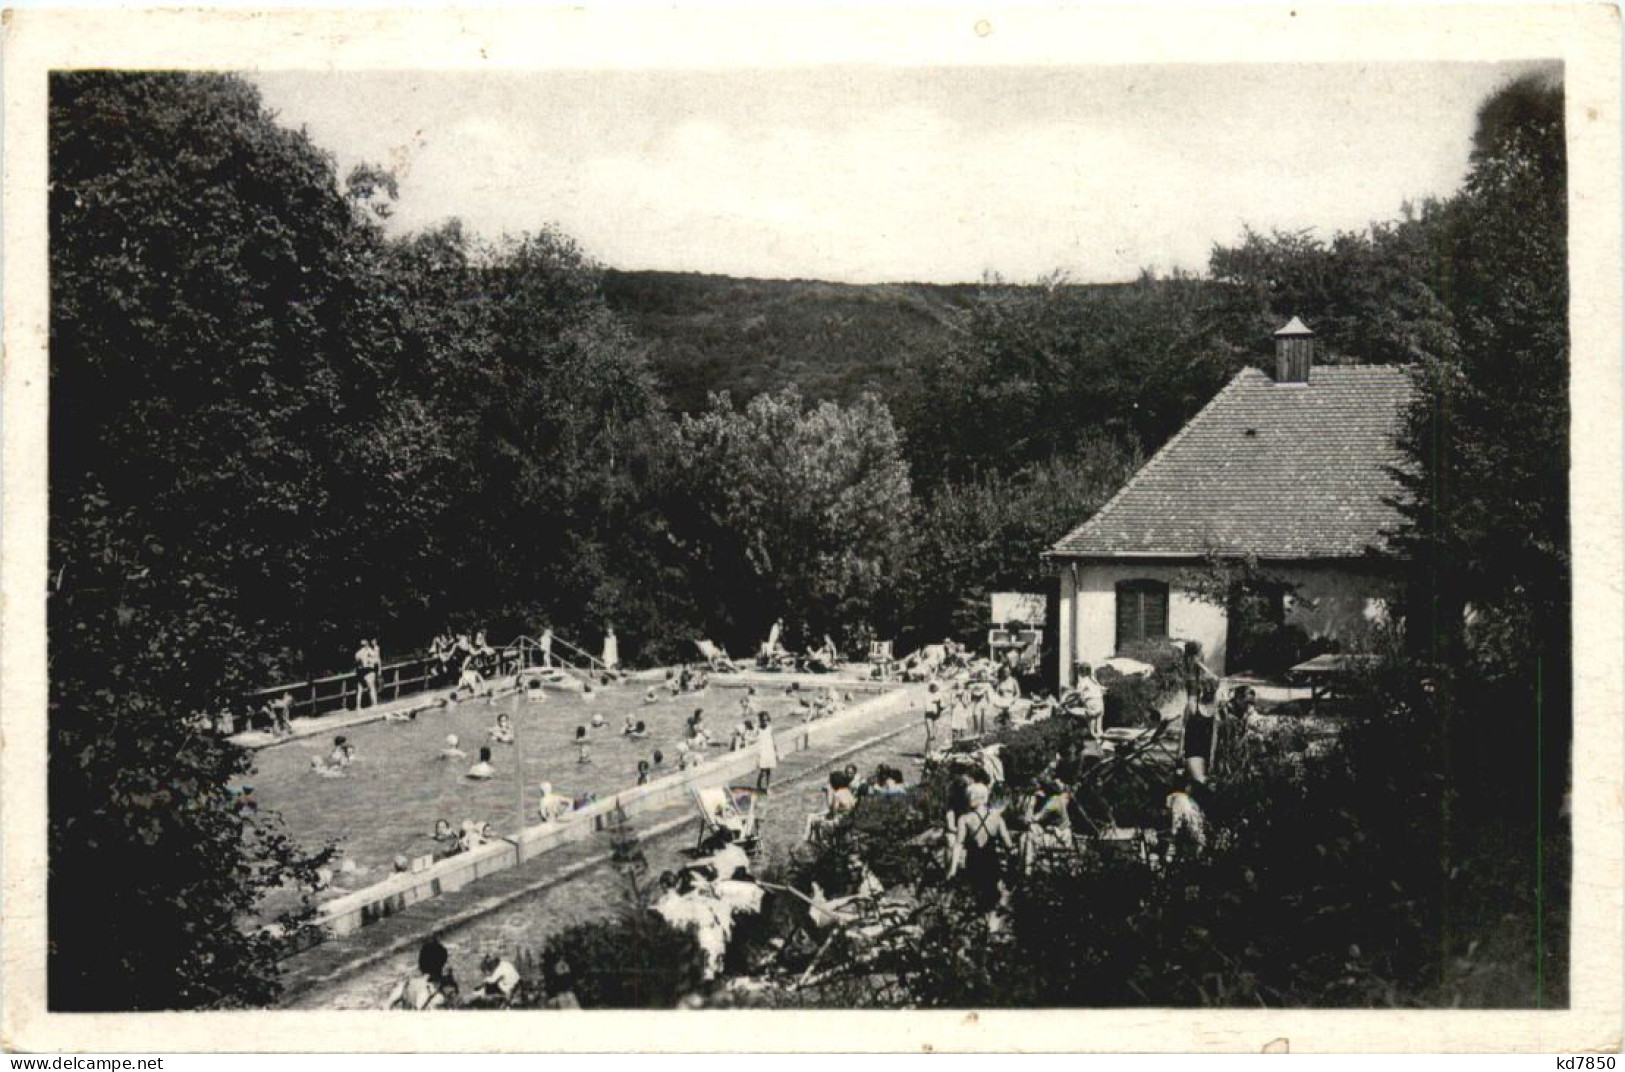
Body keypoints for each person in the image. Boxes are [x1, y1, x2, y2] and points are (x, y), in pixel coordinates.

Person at [946, 781, 1016, 929]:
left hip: (974, 861)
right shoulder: (997, 818)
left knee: (976, 896)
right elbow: (1008, 844)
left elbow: (958, 845)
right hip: (991, 861)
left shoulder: (964, 819)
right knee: (991, 897)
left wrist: (952, 869)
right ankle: (991, 928)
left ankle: (977, 928)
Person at [385, 936, 456, 1010]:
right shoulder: (445, 992)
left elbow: (386, 1006)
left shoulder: (405, 986)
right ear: (442, 964)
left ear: (420, 963)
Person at [1182, 685, 1219, 784]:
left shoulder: (1217, 710)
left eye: (1212, 690)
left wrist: (1213, 756)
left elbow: (1215, 735)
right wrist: (1180, 752)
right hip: (1193, 751)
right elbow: (1183, 729)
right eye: (1207, 688)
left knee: (1206, 785)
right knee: (1199, 781)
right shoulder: (1192, 706)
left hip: (1207, 752)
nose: (1209, 691)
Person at [1072, 662, 1105, 738]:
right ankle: (1101, 739)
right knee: (1098, 725)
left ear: (1081, 672)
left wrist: (1070, 696)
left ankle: (1095, 738)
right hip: (1100, 703)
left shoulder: (1084, 681)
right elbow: (1101, 689)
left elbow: (1077, 692)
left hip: (1092, 702)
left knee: (1091, 723)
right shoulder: (1094, 680)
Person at [755, 712, 777, 792]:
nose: (765, 722)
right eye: (763, 720)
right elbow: (755, 740)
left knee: (769, 770)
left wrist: (776, 751)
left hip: (769, 750)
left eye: (766, 720)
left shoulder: (770, 728)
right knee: (762, 770)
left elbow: (773, 740)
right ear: (760, 721)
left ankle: (768, 787)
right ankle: (758, 784)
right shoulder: (758, 729)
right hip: (762, 751)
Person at [923, 682, 945, 758]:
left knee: (935, 735)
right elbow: (927, 707)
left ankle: (933, 751)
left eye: (936, 687)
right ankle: (927, 752)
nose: (935, 688)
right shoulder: (926, 695)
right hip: (929, 715)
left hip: (937, 716)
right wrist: (935, 705)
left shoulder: (939, 694)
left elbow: (943, 705)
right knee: (930, 734)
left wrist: (940, 706)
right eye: (933, 687)